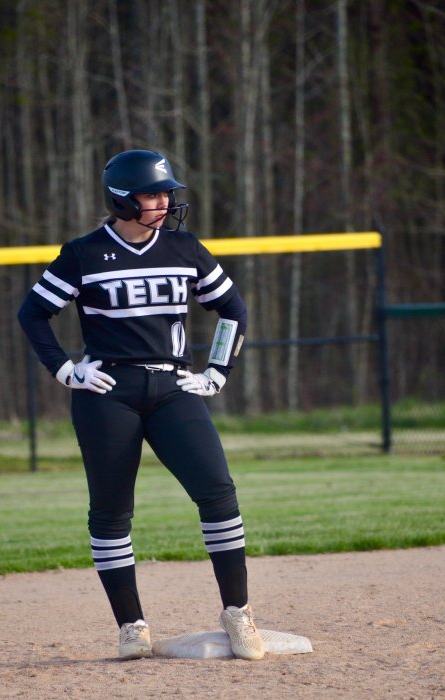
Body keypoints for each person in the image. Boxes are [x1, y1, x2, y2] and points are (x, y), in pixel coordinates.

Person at [18, 149, 264, 661]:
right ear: (122, 200)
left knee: (218, 493)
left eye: (167, 193)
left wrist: (218, 372)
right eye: (153, 195)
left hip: (173, 389)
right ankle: (132, 627)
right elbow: (33, 313)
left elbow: (233, 310)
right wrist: (65, 369)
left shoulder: (184, 248)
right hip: (107, 393)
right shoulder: (83, 254)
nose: (165, 203)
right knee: (111, 511)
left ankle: (238, 613)